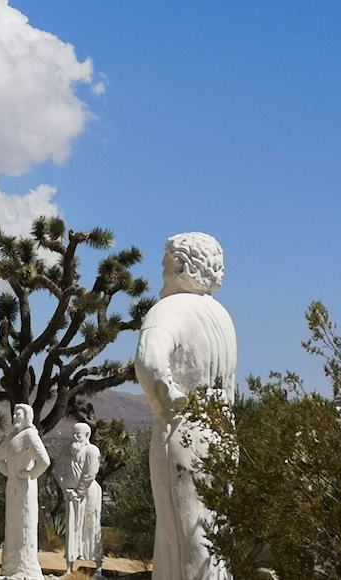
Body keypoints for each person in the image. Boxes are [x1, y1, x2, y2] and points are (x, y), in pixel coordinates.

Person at [134, 232, 236, 580]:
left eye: (165, 263)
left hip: (184, 431)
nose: (162, 269)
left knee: (184, 538)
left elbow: (149, 360)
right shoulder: (223, 317)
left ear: (180, 265)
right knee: (215, 538)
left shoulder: (169, 308)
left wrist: (167, 399)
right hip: (223, 433)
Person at [0, 403, 50, 580]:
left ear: (27, 416)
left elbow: (44, 461)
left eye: (19, 413)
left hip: (26, 486)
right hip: (12, 486)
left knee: (25, 524)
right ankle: (10, 568)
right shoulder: (12, 437)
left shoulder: (30, 435)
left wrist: (29, 474)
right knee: (12, 525)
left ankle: (26, 568)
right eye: (14, 413)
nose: (15, 416)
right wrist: (9, 473)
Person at [52, 422, 103, 577]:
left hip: (88, 494)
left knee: (91, 525)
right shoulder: (66, 451)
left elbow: (90, 473)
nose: (75, 437)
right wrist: (65, 488)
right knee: (72, 527)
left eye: (78, 434)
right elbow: (57, 469)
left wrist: (79, 491)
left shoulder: (91, 451)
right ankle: (69, 566)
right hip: (71, 495)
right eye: (73, 433)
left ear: (86, 435)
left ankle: (98, 565)